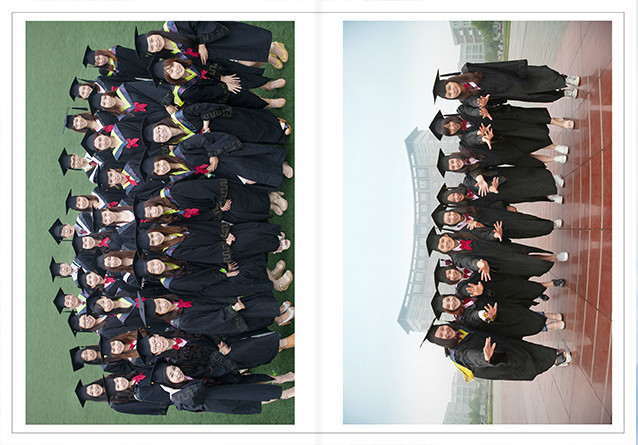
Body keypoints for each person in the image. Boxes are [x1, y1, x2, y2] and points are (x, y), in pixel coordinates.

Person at [140, 131, 292, 191]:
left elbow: (202, 139)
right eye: (158, 171)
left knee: (244, 168)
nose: (162, 168)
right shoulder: (178, 176)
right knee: (247, 181)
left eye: (158, 164)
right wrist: (207, 174)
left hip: (221, 152)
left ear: (160, 158)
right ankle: (275, 174)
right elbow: (200, 179)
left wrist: (212, 155)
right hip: (220, 171)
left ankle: (280, 165)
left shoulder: (182, 149)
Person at [424, 321, 571, 381]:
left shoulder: (459, 330)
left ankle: (552, 358)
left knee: (528, 350)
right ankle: (554, 360)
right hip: (497, 360)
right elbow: (470, 356)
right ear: (441, 342)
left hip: (502, 345)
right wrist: (484, 357)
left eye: (442, 328)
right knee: (525, 362)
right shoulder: (457, 353)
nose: (445, 332)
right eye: (441, 335)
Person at [150, 361, 295, 414]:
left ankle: (282, 378)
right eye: (172, 375)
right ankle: (285, 394)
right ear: (169, 383)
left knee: (253, 381)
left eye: (174, 368)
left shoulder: (185, 369)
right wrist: (173, 392)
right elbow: (195, 390)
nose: (177, 373)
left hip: (223, 384)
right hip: (221, 399)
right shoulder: (179, 398)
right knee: (252, 398)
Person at [147, 55, 285, 109]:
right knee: (240, 94)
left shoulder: (188, 60)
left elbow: (208, 64)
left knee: (241, 78)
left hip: (220, 74)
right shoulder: (186, 91)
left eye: (172, 65)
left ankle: (268, 85)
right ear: (171, 80)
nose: (176, 69)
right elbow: (209, 93)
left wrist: (222, 78)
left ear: (174, 61)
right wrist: (225, 86)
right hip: (220, 94)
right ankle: (268, 102)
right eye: (171, 72)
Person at [429, 108, 571, 159]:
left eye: (449, 124)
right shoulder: (465, 139)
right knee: (529, 138)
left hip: (502, 118)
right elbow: (475, 139)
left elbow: (475, 108)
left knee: (529, 118)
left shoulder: (462, 111)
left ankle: (557, 122)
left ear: (449, 119)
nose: (453, 127)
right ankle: (555, 147)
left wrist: (481, 109)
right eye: (450, 131)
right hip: (502, 134)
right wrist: (482, 137)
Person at [425, 226, 569, 278]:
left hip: (501, 247)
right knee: (528, 262)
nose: (446, 244)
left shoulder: (463, 232)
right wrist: (479, 264)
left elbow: (481, 234)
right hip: (498, 261)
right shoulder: (457, 259)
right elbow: (468, 262)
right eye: (442, 247)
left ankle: (553, 257)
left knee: (527, 253)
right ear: (443, 251)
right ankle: (555, 258)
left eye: (443, 240)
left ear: (445, 236)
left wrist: (494, 235)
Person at [136, 292, 295, 338]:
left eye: (158, 301)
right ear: (160, 314)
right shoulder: (182, 322)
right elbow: (210, 322)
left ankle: (277, 312)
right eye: (159, 308)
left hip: (222, 304)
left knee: (254, 306)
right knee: (253, 314)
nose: (163, 304)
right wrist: (232, 310)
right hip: (225, 318)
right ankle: (279, 318)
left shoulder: (177, 299)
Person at [432, 60, 580, 105]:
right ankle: (563, 93)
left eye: (449, 88)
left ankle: (565, 79)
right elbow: (482, 104)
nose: (452, 91)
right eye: (449, 94)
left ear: (450, 81)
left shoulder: (468, 69)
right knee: (536, 94)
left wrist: (513, 68)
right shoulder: (466, 100)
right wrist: (484, 103)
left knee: (538, 76)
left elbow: (493, 66)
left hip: (507, 76)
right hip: (508, 91)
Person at [138, 220, 288, 265]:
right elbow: (202, 253)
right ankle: (275, 245)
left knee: (252, 228)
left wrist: (224, 232)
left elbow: (201, 225)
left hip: (219, 233)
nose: (156, 238)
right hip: (222, 246)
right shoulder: (174, 252)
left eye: (153, 235)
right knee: (251, 240)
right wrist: (225, 245)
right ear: (154, 247)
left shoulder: (174, 228)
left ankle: (273, 234)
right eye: (153, 241)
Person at [430, 292, 564, 338]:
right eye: (448, 306)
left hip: (502, 307)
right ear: (449, 311)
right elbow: (474, 317)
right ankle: (551, 326)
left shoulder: (464, 294)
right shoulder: (462, 318)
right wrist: (483, 315)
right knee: (527, 327)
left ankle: (549, 315)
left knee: (526, 314)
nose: (452, 303)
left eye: (449, 299)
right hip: (499, 323)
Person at [430, 202, 560, 239]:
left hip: (503, 215)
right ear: (451, 224)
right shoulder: (465, 230)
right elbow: (484, 236)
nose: (452, 217)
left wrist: (504, 206)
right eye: (449, 220)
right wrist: (479, 226)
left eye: (450, 214)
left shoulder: (468, 207)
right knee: (526, 230)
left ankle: (552, 223)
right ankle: (549, 227)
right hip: (501, 230)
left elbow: (487, 203)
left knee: (527, 219)